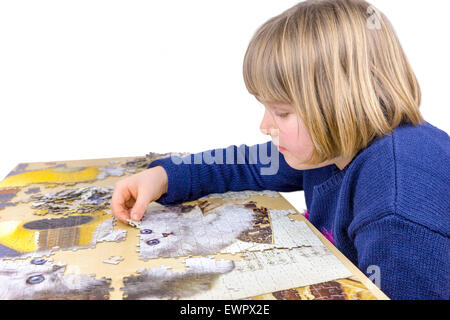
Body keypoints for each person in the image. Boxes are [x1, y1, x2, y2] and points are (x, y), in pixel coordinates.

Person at [111, 0, 449, 300]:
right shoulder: (330, 147)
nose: (265, 124)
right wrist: (165, 175)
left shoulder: (396, 209)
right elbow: (243, 164)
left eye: (282, 112)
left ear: (340, 103)